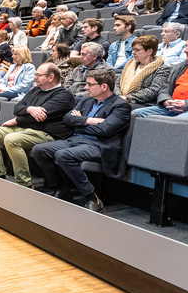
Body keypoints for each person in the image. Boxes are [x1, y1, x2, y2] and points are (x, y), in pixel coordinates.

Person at [31, 69, 132, 212]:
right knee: (39, 150)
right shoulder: (86, 100)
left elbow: (104, 130)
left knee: (63, 155)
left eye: (90, 85)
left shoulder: (121, 106)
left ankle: (92, 197)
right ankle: (61, 189)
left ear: (104, 87)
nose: (86, 87)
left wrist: (78, 123)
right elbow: (67, 119)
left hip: (98, 145)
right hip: (75, 139)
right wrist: (88, 120)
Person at [0, 63, 76, 187]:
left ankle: (24, 183)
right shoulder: (35, 90)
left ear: (50, 77)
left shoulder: (64, 95)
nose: (35, 77)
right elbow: (17, 108)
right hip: (24, 129)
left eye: (38, 75)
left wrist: (17, 120)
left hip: (45, 133)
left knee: (11, 139)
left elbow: (39, 118)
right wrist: (29, 109)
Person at [133, 36, 188, 120]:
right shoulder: (179, 68)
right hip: (171, 108)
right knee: (137, 114)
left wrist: (187, 104)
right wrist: (166, 101)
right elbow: (164, 89)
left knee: (179, 121)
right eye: (185, 46)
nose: (185, 50)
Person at [114, 35, 170, 107]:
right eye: (133, 50)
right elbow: (117, 84)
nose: (133, 52)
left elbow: (153, 91)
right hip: (122, 100)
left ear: (149, 51)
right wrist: (119, 96)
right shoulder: (130, 65)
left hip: (143, 103)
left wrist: (128, 98)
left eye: (137, 50)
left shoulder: (162, 68)